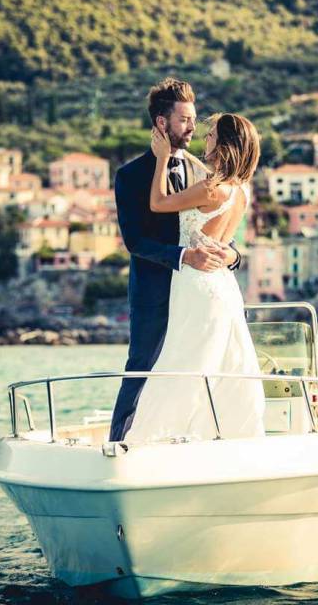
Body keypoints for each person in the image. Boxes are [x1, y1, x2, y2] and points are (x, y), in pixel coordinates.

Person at [108, 78, 243, 442]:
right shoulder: (130, 176)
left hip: (198, 292)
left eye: (195, 119)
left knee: (198, 366)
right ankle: (118, 444)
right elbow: (134, 241)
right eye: (184, 120)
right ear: (161, 124)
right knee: (142, 368)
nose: (192, 127)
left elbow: (222, 229)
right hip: (154, 291)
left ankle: (188, 441)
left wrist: (233, 255)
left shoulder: (202, 171)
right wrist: (184, 256)